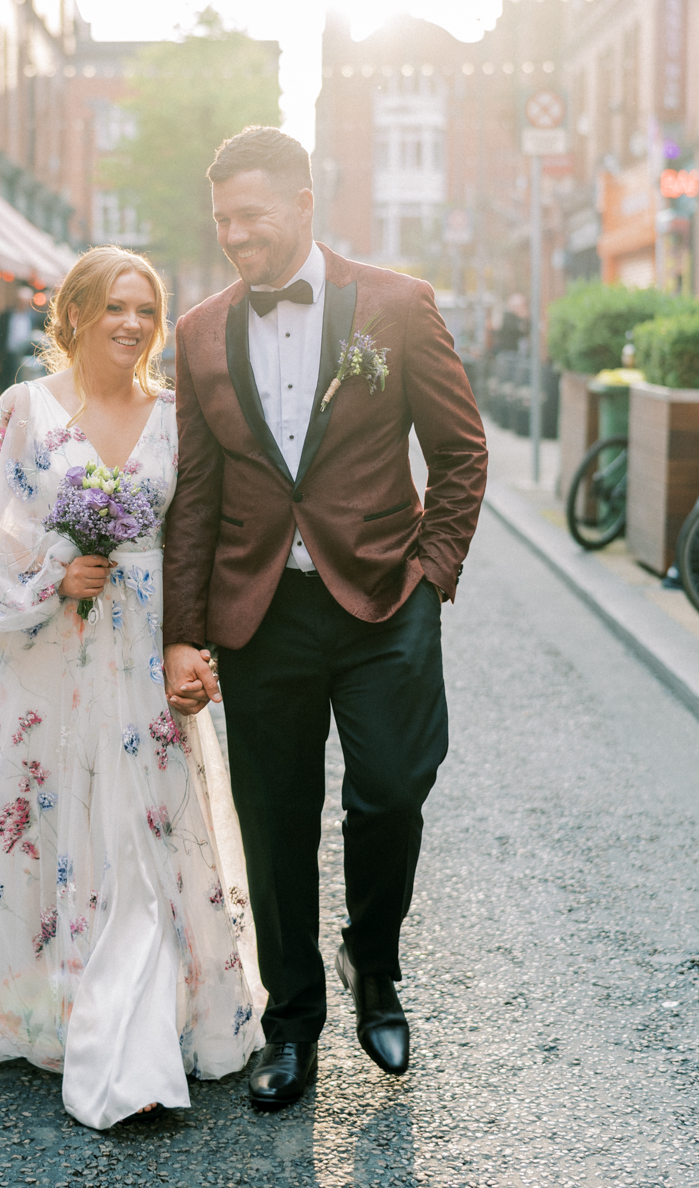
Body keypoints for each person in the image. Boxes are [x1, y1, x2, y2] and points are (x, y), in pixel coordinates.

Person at [0, 246, 264, 1129]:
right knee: (35, 818)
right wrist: (49, 578)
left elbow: (200, 536)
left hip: (145, 645)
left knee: (142, 830)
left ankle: (134, 1035)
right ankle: (36, 997)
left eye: (145, 310)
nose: (131, 324)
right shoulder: (24, 409)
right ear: (71, 314)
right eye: (114, 307)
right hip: (42, 655)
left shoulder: (176, 417)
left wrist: (193, 641)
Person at [162, 126, 488, 1109]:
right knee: (273, 823)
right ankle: (290, 1023)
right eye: (223, 220)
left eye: (252, 216)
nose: (235, 236)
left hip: (387, 598)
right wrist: (182, 629)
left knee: (391, 789)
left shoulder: (394, 305)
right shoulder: (200, 333)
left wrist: (433, 570)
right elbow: (195, 489)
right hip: (262, 612)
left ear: (305, 204)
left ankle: (372, 963)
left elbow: (460, 450)